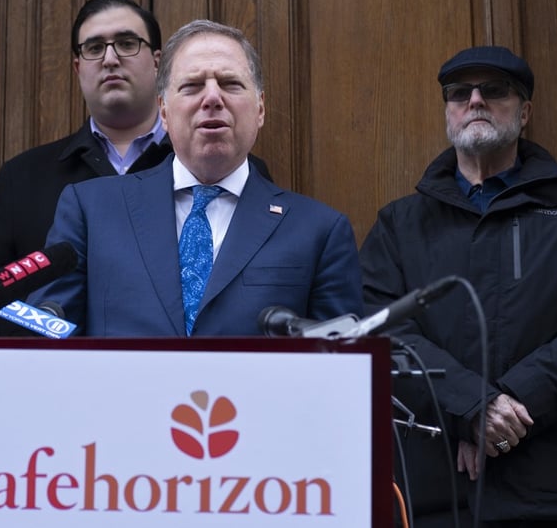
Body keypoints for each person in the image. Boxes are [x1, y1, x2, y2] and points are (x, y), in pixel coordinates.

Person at [360, 46, 557, 527]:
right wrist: (470, 406)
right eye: (459, 93)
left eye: (493, 90)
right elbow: (376, 333)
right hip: (439, 496)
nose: (475, 101)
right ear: (448, 112)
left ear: (525, 111)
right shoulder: (399, 225)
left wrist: (514, 403)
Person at [0, 0, 271, 335]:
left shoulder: (227, 169)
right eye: (93, 48)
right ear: (78, 67)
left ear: (157, 62)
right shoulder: (24, 177)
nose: (110, 59)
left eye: (126, 43)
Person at [29, 19, 363, 336]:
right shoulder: (91, 210)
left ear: (260, 108)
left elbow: (340, 370)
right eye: (192, 86)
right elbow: (47, 337)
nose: (213, 98)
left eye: (231, 84)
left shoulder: (319, 231)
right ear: (164, 111)